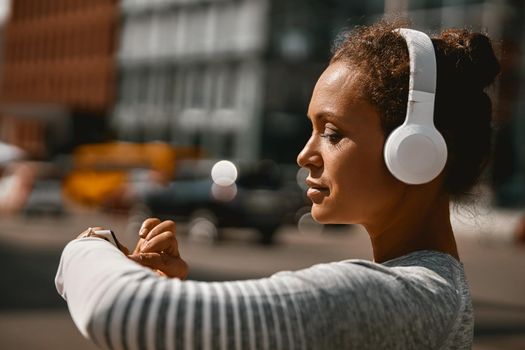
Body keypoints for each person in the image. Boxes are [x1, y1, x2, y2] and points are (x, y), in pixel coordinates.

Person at [55, 21, 500, 349]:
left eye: (332, 131)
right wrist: (177, 299)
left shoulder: (402, 298)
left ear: (416, 149)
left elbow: (118, 311)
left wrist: (90, 245)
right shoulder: (433, 291)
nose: (304, 155)